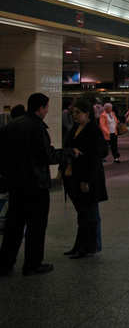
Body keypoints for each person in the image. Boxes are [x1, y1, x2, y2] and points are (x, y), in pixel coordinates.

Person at [0, 93, 73, 276]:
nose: (47, 111)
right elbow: (47, 156)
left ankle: (5, 263)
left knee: (13, 226)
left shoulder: (12, 125)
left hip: (16, 184)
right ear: (40, 108)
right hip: (36, 185)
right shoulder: (37, 128)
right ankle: (32, 264)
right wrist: (68, 153)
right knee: (36, 226)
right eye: (46, 107)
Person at [62, 99, 108, 259]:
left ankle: (89, 246)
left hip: (88, 177)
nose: (74, 116)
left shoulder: (93, 130)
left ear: (86, 114)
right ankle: (80, 245)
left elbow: (97, 156)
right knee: (83, 214)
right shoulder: (75, 128)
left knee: (89, 214)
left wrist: (86, 180)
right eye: (73, 113)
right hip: (75, 176)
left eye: (77, 113)